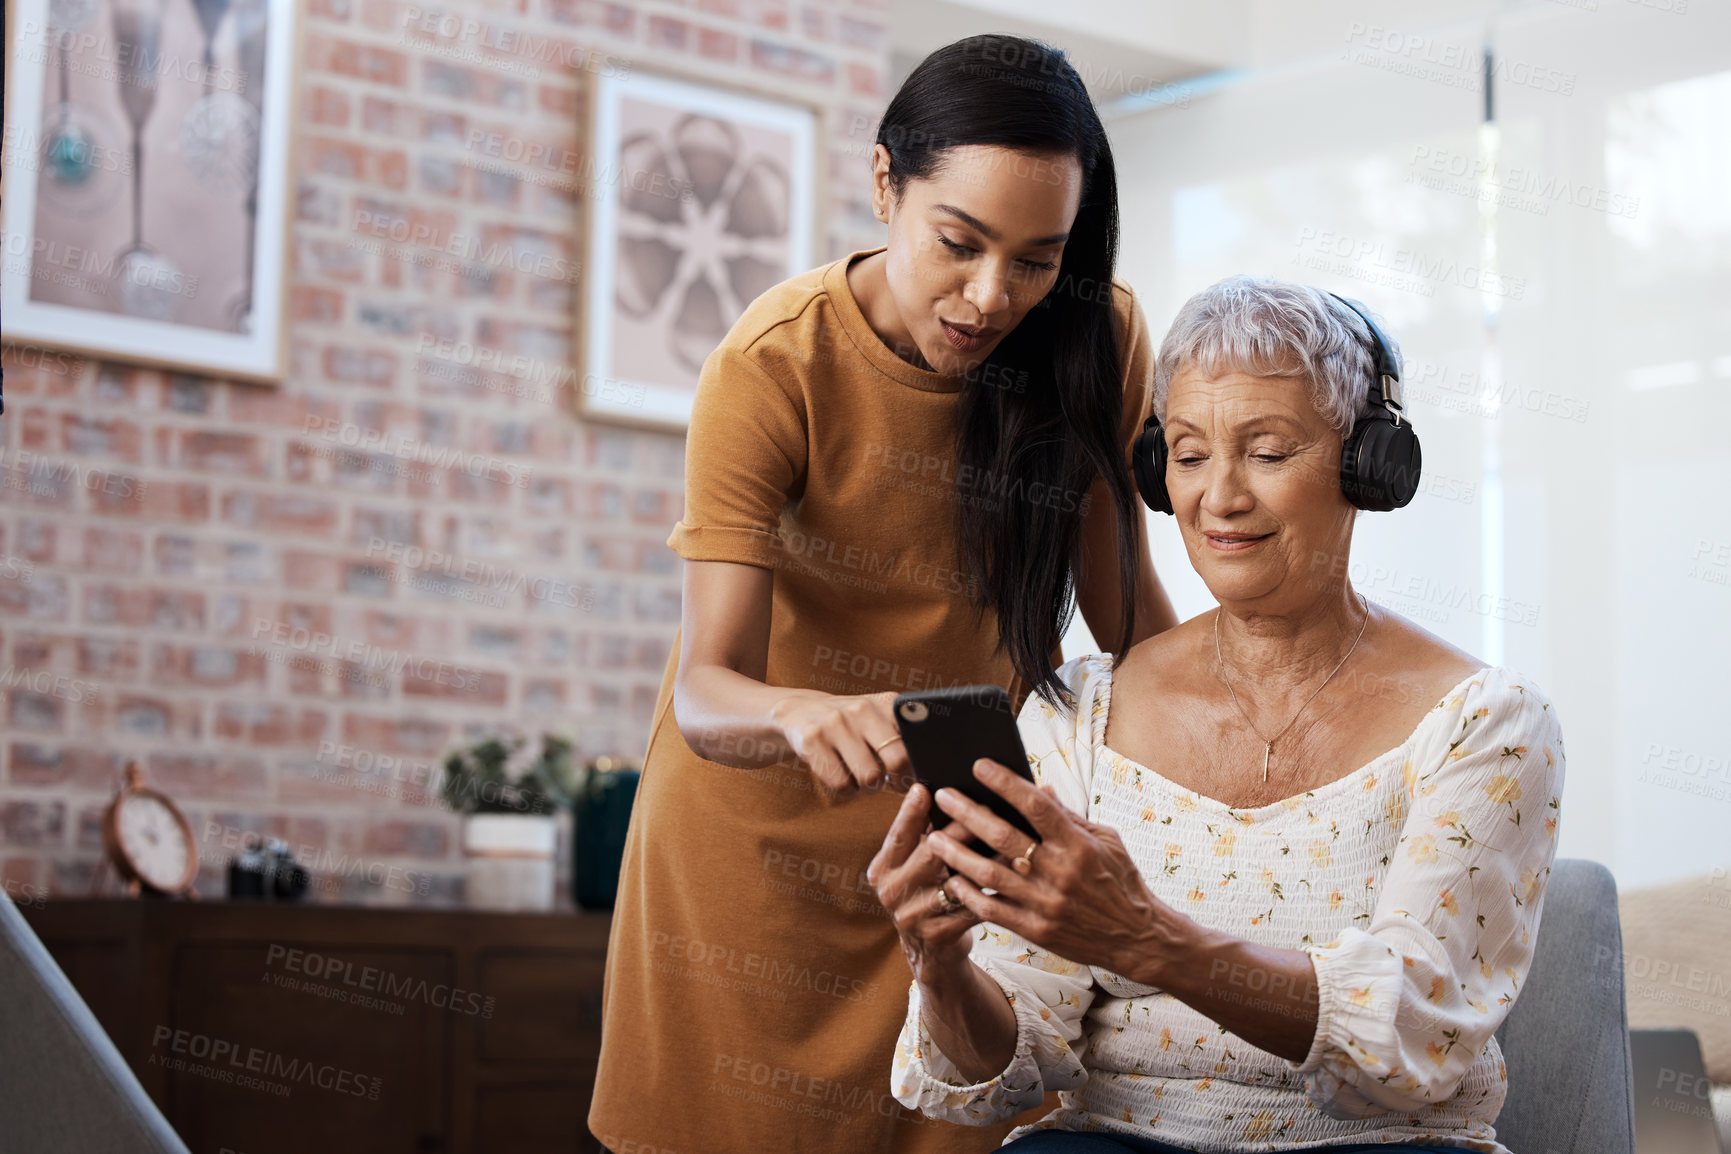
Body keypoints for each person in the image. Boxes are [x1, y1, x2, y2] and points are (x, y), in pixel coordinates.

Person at [588, 35, 1178, 1154]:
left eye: (1038, 258)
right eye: (958, 243)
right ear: (883, 185)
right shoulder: (773, 363)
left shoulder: (1095, 339)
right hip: (749, 868)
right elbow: (710, 686)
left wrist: (1273, 738)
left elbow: (1131, 623)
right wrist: (805, 711)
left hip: (957, 860)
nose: (993, 294)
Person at [871, 276, 1565, 1154]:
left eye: (1268, 453)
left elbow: (1407, 1044)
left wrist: (1151, 938)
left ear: (1369, 466)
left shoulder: (1486, 724)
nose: (1219, 498)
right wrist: (939, 968)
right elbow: (1005, 1068)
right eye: (1190, 456)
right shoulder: (1080, 713)